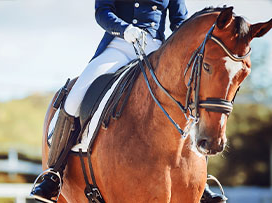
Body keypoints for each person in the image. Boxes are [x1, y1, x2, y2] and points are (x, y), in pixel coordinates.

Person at [31, 1, 226, 203]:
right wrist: (125, 29)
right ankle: (54, 174)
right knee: (74, 97)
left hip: (159, 49)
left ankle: (200, 181)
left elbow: (180, 21)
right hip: (119, 44)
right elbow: (102, 12)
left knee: (191, 99)